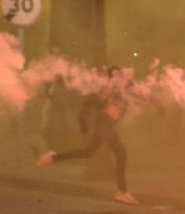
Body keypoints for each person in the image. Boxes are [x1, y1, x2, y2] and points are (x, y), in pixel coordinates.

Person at [37, 66, 138, 205]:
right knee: (119, 154)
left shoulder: (122, 89)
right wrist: (83, 120)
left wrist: (156, 103)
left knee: (89, 153)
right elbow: (91, 102)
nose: (117, 77)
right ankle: (122, 192)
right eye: (113, 75)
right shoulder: (107, 89)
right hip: (104, 125)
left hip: (107, 126)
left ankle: (53, 157)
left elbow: (140, 94)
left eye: (118, 74)